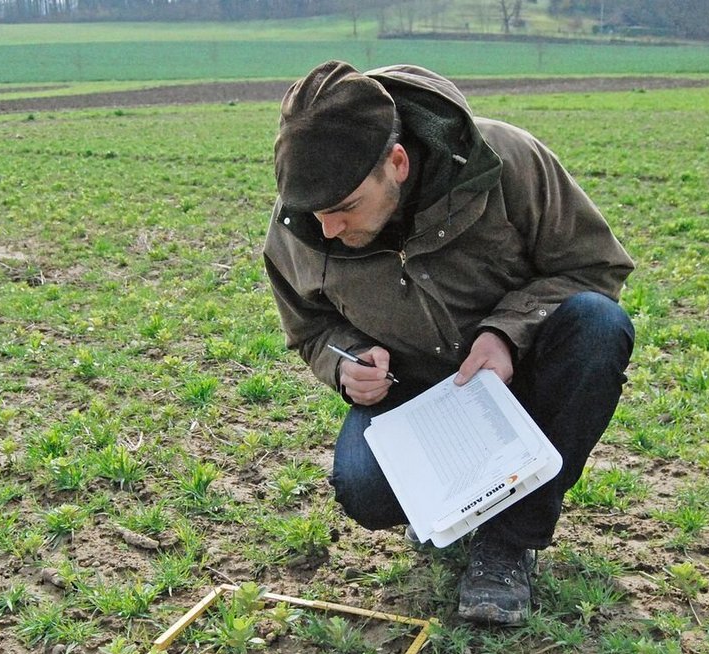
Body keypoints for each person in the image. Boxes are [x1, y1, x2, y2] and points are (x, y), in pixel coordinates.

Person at [263, 61, 635, 625]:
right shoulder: (300, 225)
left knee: (598, 325)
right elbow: (311, 328)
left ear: (398, 163)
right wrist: (347, 364)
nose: (328, 230)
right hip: (413, 395)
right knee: (364, 489)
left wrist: (506, 334)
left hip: (520, 380)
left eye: (343, 210)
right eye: (316, 215)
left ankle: (509, 540)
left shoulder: (505, 162)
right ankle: (449, 502)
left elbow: (594, 267)